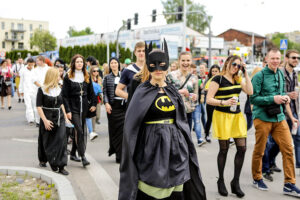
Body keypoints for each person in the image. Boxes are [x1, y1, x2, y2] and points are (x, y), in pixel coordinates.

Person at [119, 40, 206, 200]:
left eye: (162, 64)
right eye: (154, 65)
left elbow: (181, 121)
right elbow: (132, 125)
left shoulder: (172, 90)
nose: (158, 69)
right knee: (152, 190)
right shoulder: (141, 91)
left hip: (175, 147)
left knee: (176, 190)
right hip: (151, 147)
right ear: (148, 65)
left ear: (167, 65)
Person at [250, 48, 300, 197]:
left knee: (288, 149)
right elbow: (253, 99)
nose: (275, 61)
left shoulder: (279, 73)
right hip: (262, 118)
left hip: (279, 117)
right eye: (272, 58)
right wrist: (273, 99)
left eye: (277, 58)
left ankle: (289, 184)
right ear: (266, 59)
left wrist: (285, 97)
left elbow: (281, 94)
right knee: (260, 150)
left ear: (281, 59)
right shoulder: (258, 76)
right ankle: (257, 178)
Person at [207, 55, 253, 198]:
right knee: (224, 149)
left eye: (239, 66)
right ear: (227, 63)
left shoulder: (238, 78)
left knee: (242, 148)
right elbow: (209, 99)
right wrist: (223, 102)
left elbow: (250, 92)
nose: (236, 67)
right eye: (234, 64)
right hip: (222, 116)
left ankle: (235, 182)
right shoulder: (217, 79)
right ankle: (221, 180)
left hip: (237, 117)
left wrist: (245, 73)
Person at [62, 54, 97, 167]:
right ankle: (83, 157)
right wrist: (67, 110)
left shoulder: (86, 76)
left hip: (84, 107)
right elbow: (64, 96)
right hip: (73, 108)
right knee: (80, 131)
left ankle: (72, 153)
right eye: (77, 62)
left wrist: (93, 103)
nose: (79, 64)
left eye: (81, 62)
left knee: (79, 131)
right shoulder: (68, 77)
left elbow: (91, 91)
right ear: (73, 63)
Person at [36, 67, 69, 175]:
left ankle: (61, 165)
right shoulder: (41, 89)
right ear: (52, 76)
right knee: (46, 141)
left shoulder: (60, 89)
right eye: (58, 75)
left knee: (61, 141)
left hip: (59, 117)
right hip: (47, 117)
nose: (60, 76)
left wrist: (66, 117)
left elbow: (61, 104)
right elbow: (39, 106)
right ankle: (43, 159)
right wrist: (44, 120)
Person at [167, 52, 200, 144]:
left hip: (188, 113)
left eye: (188, 60)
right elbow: (165, 93)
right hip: (173, 112)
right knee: (173, 139)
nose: (186, 63)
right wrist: (181, 92)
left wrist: (193, 97)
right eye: (183, 60)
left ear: (191, 61)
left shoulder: (194, 78)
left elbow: (195, 95)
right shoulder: (171, 75)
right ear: (179, 61)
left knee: (185, 139)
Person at [103, 57, 126, 163]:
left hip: (124, 106)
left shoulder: (124, 76)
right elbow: (105, 93)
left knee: (123, 131)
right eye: (111, 63)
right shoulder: (107, 78)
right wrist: (106, 103)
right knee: (114, 130)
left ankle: (122, 154)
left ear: (118, 64)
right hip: (113, 106)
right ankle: (116, 152)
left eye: (115, 62)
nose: (113, 64)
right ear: (109, 65)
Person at [282, 50, 300, 170]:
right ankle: (268, 164)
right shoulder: (280, 73)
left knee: (298, 136)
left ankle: (299, 163)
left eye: (298, 58)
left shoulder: (295, 73)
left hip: (294, 110)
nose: (296, 60)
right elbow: (277, 92)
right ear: (287, 58)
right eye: (293, 57)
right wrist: (289, 94)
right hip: (281, 112)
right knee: (277, 142)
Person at [203, 64, 220, 142]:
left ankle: (223, 135)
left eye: (216, 71)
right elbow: (203, 89)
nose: (214, 73)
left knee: (220, 119)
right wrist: (207, 90)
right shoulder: (208, 79)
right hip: (210, 102)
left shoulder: (221, 79)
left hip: (219, 102)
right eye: (213, 71)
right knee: (209, 119)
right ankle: (206, 135)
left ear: (219, 71)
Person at [19, 58, 38, 125]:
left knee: (35, 104)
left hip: (34, 90)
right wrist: (20, 90)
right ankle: (30, 119)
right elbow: (21, 81)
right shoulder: (23, 70)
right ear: (27, 63)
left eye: (32, 65)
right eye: (29, 64)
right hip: (26, 90)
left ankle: (36, 118)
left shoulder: (35, 70)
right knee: (28, 104)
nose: (30, 66)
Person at [32, 56, 49, 127]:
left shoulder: (48, 69)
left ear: (42, 61)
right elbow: (34, 81)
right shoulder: (35, 70)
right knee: (38, 106)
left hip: (48, 90)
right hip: (38, 90)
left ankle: (46, 120)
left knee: (47, 106)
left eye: (38, 60)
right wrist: (41, 87)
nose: (36, 62)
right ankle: (38, 121)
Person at [190, 63, 205, 146]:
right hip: (186, 103)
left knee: (197, 120)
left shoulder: (198, 78)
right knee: (187, 122)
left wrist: (202, 97)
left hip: (196, 103)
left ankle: (199, 139)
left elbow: (202, 89)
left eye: (195, 69)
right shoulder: (185, 77)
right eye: (192, 69)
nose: (194, 70)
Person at [198, 63, 207, 131]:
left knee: (204, 112)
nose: (201, 69)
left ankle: (205, 127)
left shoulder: (207, 77)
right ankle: (204, 127)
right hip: (199, 96)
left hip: (206, 96)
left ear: (205, 69)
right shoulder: (196, 77)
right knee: (202, 112)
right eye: (200, 68)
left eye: (202, 68)